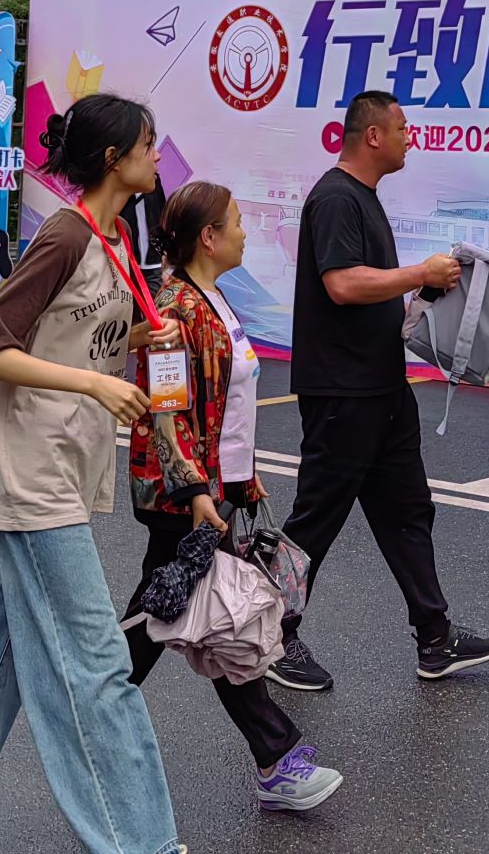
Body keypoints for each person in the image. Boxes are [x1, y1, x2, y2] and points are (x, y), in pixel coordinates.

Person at [0, 93, 184, 854]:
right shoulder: (66, 233)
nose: (157, 154)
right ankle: (141, 842)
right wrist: (93, 384)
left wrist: (137, 339)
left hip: (70, 464)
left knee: (6, 646)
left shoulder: (115, 237)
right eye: (148, 143)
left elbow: (75, 338)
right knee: (97, 662)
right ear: (114, 158)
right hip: (34, 468)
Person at [266, 89, 489, 693]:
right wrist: (419, 273)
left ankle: (435, 636)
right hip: (342, 391)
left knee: (408, 512)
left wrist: (424, 300)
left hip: (381, 387)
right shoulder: (335, 197)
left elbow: (367, 291)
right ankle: (269, 636)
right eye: (401, 127)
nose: (409, 137)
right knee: (314, 521)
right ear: (372, 135)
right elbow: (343, 284)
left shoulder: (364, 198)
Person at [124, 180, 344, 812]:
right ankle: (275, 758)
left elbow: (230, 404)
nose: (246, 233)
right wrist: (197, 489)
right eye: (238, 223)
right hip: (182, 494)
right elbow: (168, 409)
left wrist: (241, 478)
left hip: (213, 488)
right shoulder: (175, 310)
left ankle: (88, 704)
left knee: (177, 613)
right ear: (209, 237)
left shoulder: (215, 299)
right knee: (206, 618)